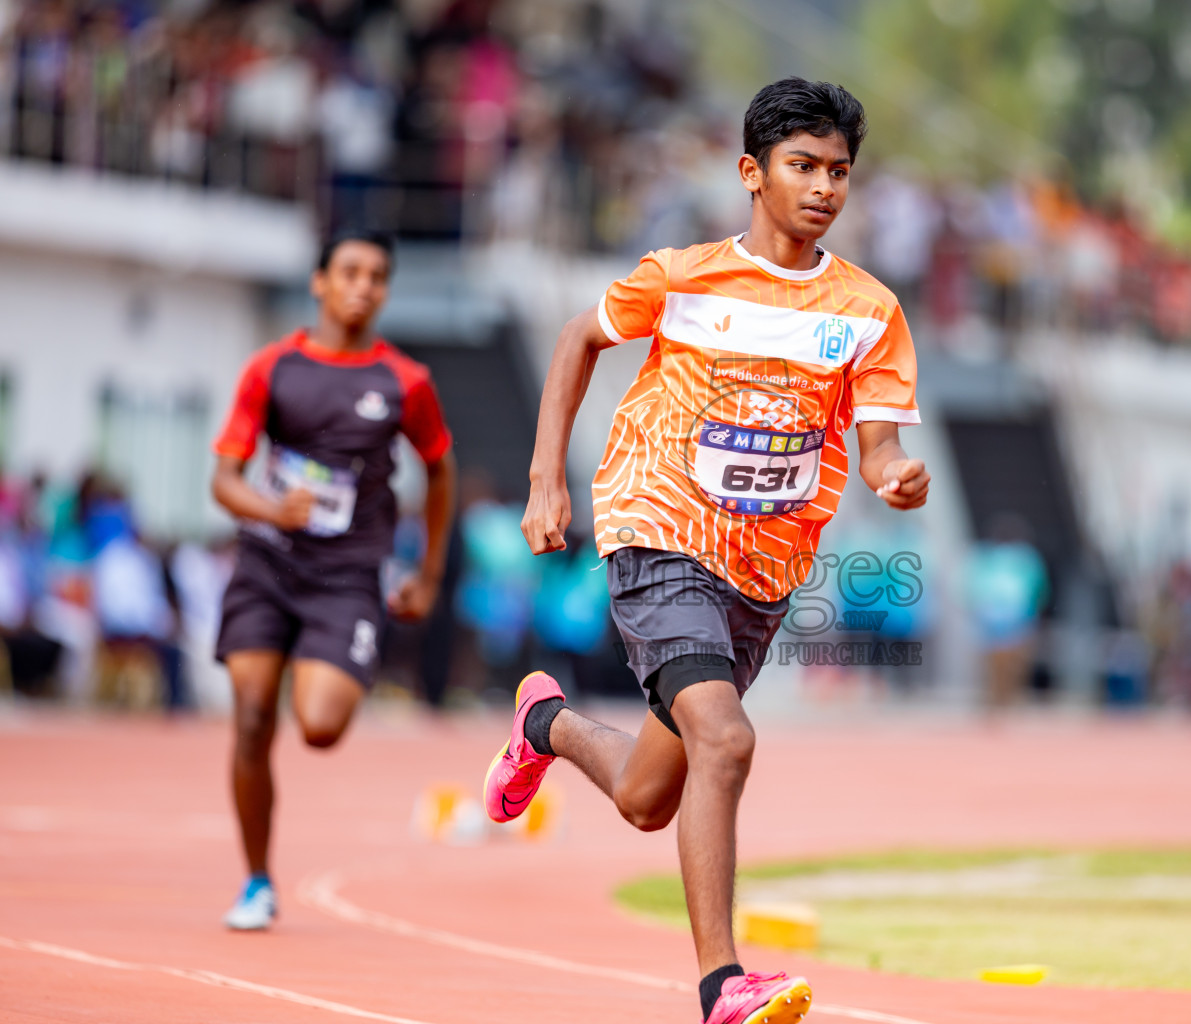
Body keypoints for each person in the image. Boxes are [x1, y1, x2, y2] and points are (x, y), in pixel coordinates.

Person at [482, 78, 928, 1024]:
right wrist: (545, 479)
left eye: (839, 172)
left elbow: (880, 441)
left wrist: (892, 475)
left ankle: (544, 727)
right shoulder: (682, 276)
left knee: (650, 798)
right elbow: (577, 337)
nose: (822, 188)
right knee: (726, 739)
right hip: (660, 530)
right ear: (751, 173)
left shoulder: (870, 309)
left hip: (762, 572)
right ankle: (724, 984)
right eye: (802, 167)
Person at [210, 230, 457, 930]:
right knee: (254, 715)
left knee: (318, 727)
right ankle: (257, 880)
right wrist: (270, 506)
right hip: (267, 562)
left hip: (348, 575)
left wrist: (428, 572)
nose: (362, 286)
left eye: (377, 275)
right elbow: (224, 480)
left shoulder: (404, 382)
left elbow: (439, 468)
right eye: (349, 271)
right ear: (319, 282)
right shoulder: (272, 368)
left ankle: (323, 655)